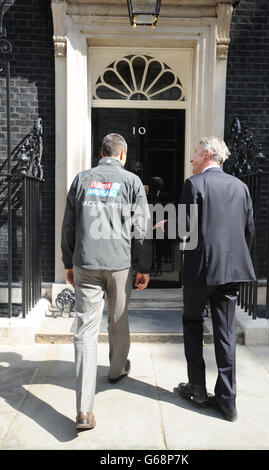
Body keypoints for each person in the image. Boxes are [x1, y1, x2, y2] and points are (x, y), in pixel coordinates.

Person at [155, 137, 256, 421]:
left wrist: (166, 224)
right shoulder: (241, 187)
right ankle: (228, 401)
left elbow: (187, 225)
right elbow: (249, 231)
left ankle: (197, 388)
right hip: (230, 271)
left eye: (195, 154)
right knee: (225, 335)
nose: (191, 159)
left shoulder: (195, 184)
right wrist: (236, 261)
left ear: (207, 154)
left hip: (201, 270)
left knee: (192, 324)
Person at [61, 133, 152, 430]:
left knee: (85, 331)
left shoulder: (82, 179)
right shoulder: (132, 182)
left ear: (101, 153)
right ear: (122, 155)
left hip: (86, 262)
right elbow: (141, 227)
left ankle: (84, 411)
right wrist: (144, 267)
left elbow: (69, 225)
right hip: (120, 264)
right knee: (118, 319)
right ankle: (115, 371)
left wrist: (68, 262)